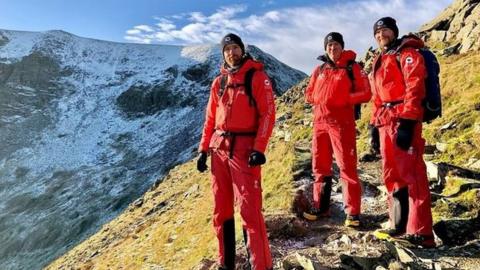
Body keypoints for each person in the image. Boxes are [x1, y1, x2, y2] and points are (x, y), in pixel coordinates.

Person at [196, 33, 275, 270]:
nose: (232, 53)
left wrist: (259, 147)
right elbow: (210, 118)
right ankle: (225, 263)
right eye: (227, 49)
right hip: (219, 149)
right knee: (221, 210)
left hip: (244, 150)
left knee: (249, 210)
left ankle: (260, 265)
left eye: (235, 48)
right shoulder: (218, 82)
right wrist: (203, 148)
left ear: (243, 50)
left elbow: (268, 114)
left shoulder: (257, 77)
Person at [370, 17, 435, 248]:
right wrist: (373, 127)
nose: (381, 35)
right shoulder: (380, 58)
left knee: (413, 174)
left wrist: (408, 122)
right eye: (377, 32)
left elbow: (415, 87)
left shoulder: (407, 53)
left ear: (394, 31)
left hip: (403, 118)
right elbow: (377, 96)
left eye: (385, 30)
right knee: (392, 174)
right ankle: (399, 224)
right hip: (385, 121)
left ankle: (421, 233)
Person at [303, 32, 371, 227]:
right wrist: (319, 99)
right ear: (326, 48)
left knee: (346, 166)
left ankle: (353, 213)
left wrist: (344, 99)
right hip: (320, 123)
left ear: (342, 47)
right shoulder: (319, 69)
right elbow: (309, 93)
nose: (332, 48)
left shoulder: (353, 67)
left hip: (342, 124)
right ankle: (320, 207)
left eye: (336, 45)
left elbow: (367, 93)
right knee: (320, 167)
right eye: (329, 45)